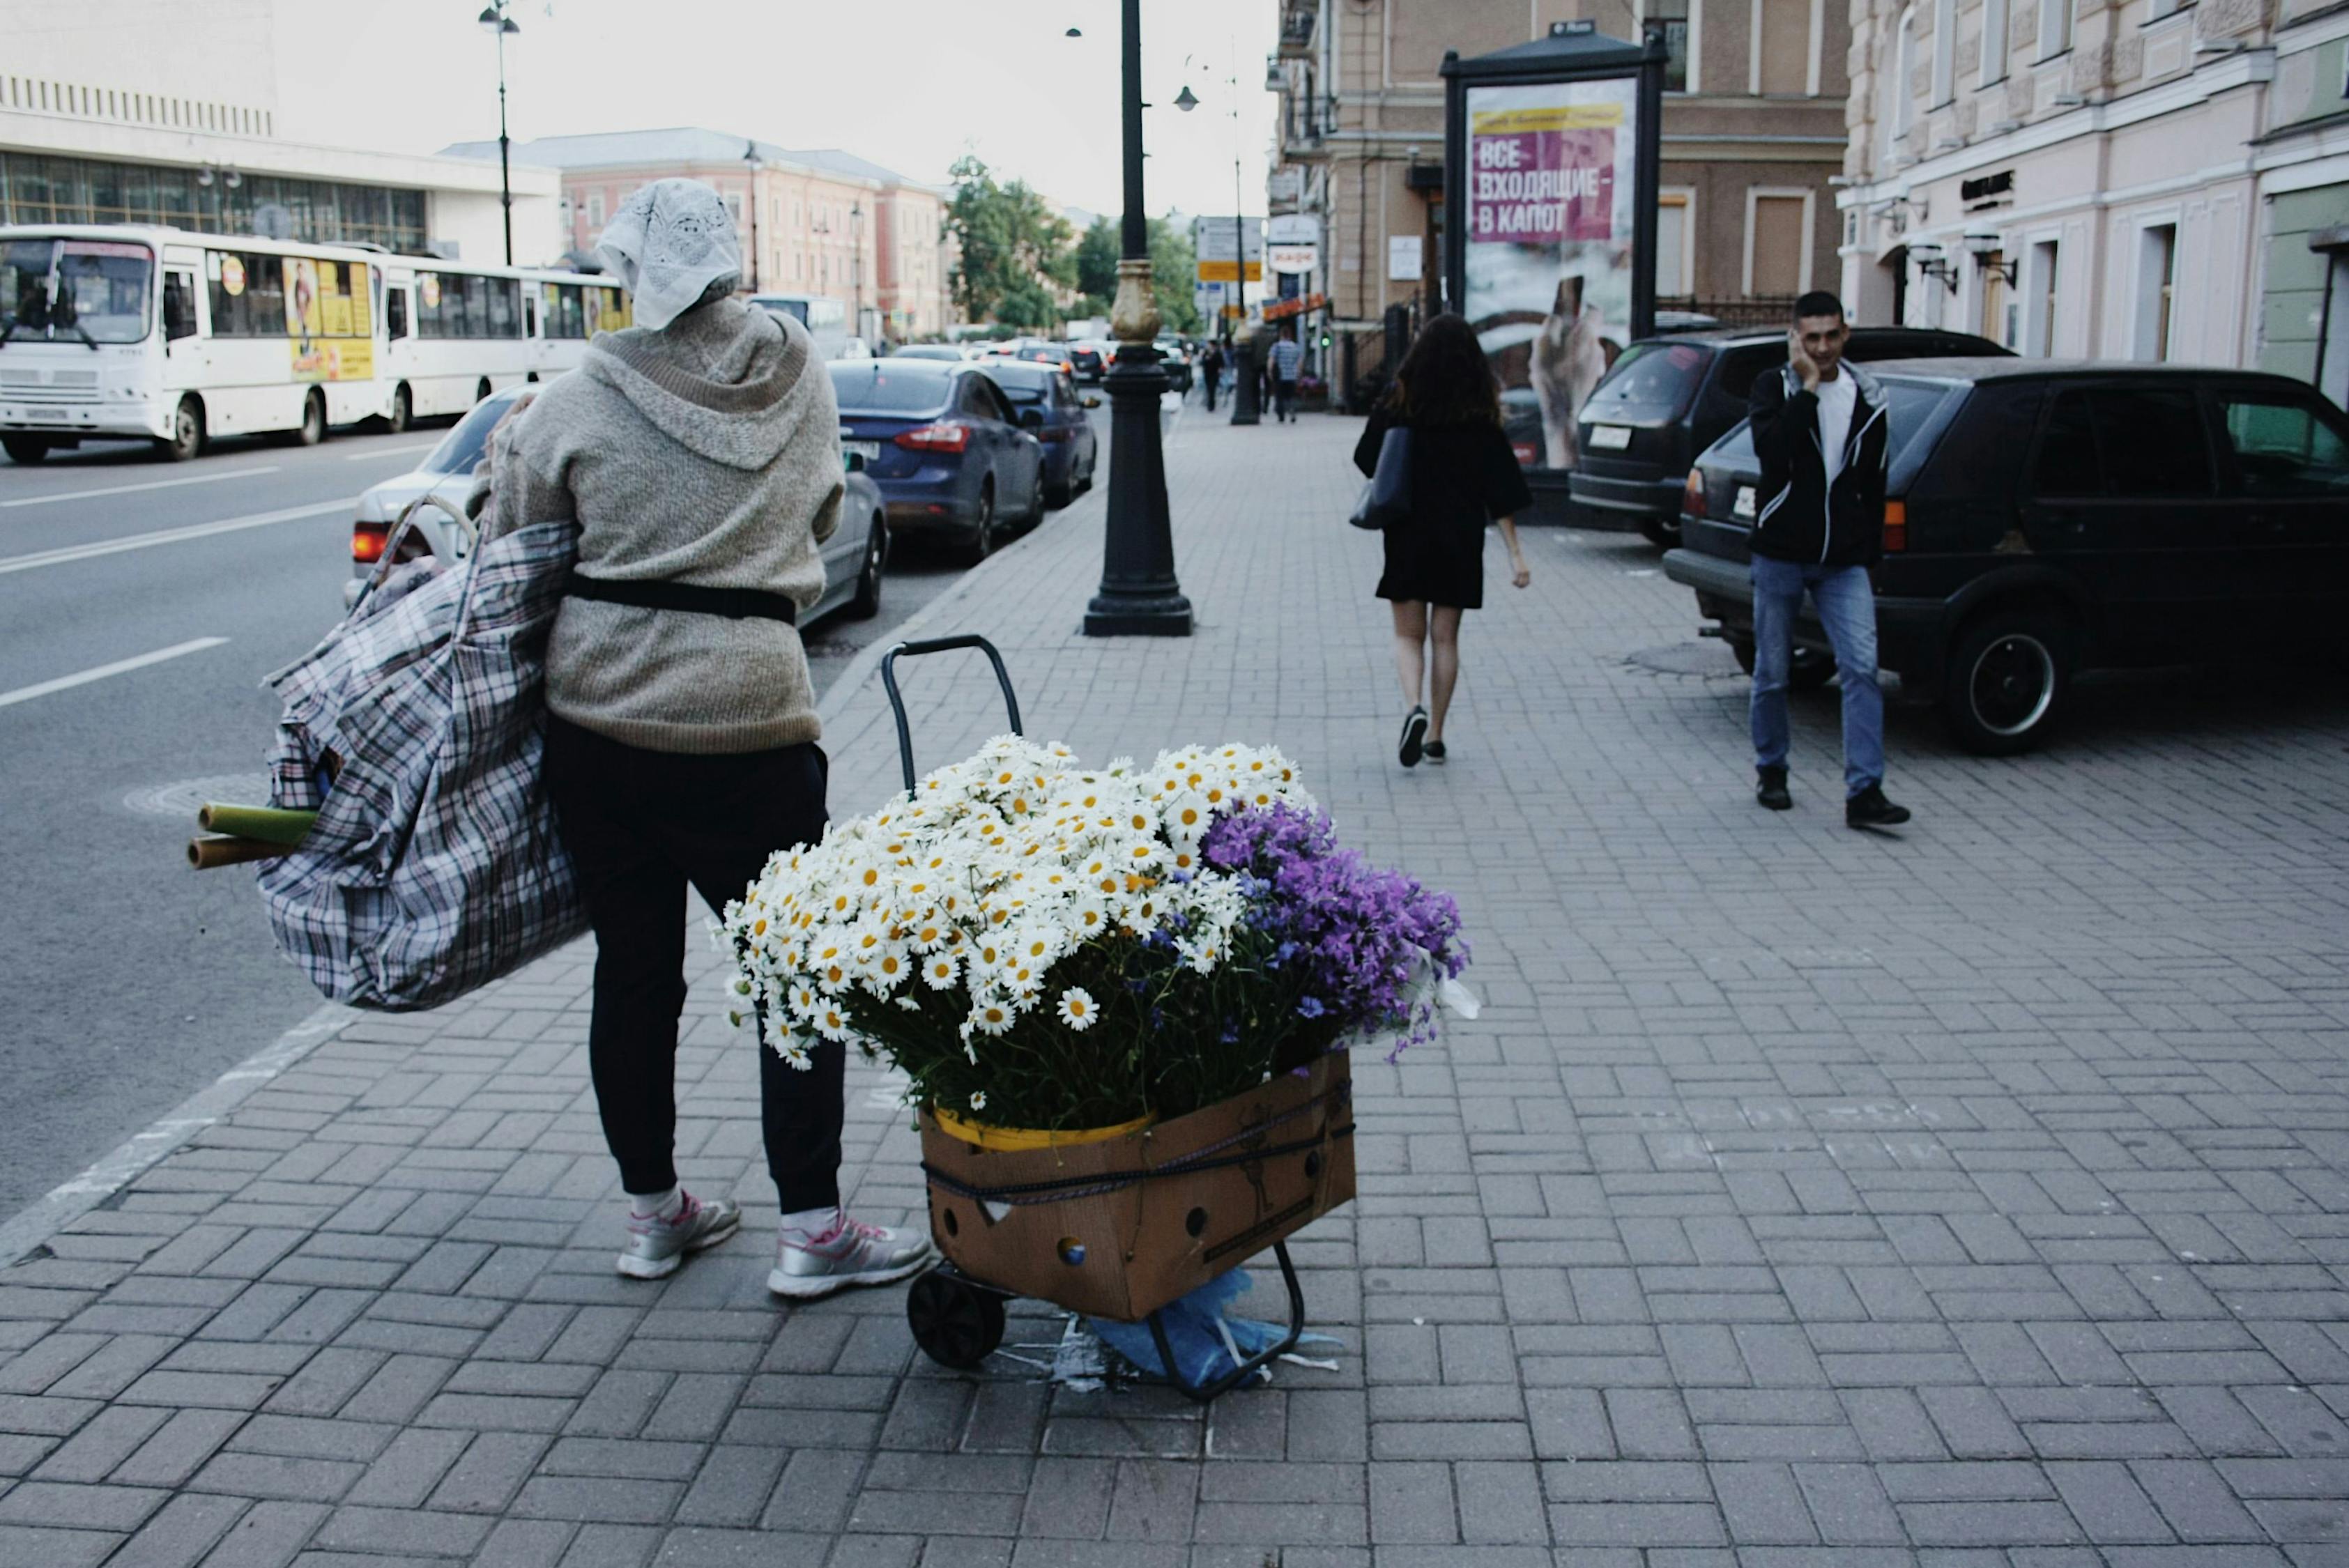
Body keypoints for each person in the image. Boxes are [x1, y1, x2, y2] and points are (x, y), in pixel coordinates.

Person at [495, 179, 932, 1297]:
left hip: (600, 726)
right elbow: (829, 514)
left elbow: (516, 544)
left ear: (634, 270)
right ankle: (812, 1228)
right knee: (797, 976)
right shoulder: (802, 369)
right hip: (754, 721)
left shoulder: (578, 396)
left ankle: (653, 1214)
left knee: (634, 976)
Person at [1745, 290, 1911, 829]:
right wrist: (1809, 389)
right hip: (1781, 555)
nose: (1822, 347)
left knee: (1862, 668)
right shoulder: (1775, 386)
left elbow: (1873, 480)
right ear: (1795, 338)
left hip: (1843, 561)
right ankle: (1772, 769)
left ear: (1846, 335)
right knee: (1772, 672)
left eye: (1830, 336)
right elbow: (1774, 453)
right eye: (1810, 337)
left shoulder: (1869, 394)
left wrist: (1869, 554)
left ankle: (1865, 791)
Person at [1352, 312, 1532, 769]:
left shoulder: (1400, 401)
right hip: (1460, 536)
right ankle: (1435, 736)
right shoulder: (1480, 413)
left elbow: (1365, 459)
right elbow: (1502, 490)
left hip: (1409, 531)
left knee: (1407, 635)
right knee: (1445, 639)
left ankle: (1414, 706)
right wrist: (1516, 556)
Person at [1269, 323, 1304, 422]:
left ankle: (1281, 416)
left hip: (1280, 375)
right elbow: (1300, 362)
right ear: (1290, 335)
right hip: (1292, 375)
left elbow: (1271, 360)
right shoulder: (1296, 347)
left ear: (1281, 334)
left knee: (1279, 396)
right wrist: (1299, 373)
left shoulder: (1276, 346)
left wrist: (1270, 372)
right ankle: (1292, 410)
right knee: (1291, 396)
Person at [1200, 340, 1224, 413]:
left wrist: (1220, 369)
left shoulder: (1218, 353)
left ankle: (1211, 405)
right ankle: (1210, 404)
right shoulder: (1206, 352)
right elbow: (1203, 362)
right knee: (1209, 389)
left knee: (1212, 389)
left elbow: (1221, 362)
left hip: (1215, 373)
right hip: (1208, 373)